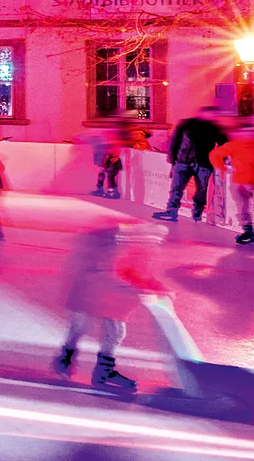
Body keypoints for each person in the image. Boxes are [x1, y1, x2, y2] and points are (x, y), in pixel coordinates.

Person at [53, 224, 157, 394]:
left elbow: (123, 273)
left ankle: (91, 367)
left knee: (111, 331)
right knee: (85, 327)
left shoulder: (111, 252)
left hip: (101, 297)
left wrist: (148, 288)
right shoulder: (98, 254)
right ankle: (73, 361)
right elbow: (103, 276)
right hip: (87, 297)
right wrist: (134, 290)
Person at [154, 109, 226, 222]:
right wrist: (172, 159)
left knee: (201, 190)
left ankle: (197, 211)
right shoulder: (186, 124)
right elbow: (174, 141)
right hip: (184, 161)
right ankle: (172, 210)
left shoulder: (214, 128)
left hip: (202, 163)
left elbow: (224, 144)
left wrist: (220, 158)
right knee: (177, 188)